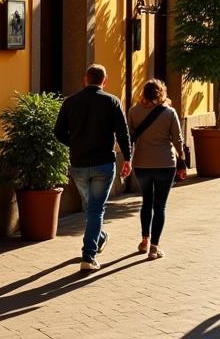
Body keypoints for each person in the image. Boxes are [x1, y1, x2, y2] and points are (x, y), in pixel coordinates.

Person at [54, 64, 131, 272]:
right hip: (104, 164)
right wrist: (128, 159)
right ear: (104, 81)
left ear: (84, 79)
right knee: (95, 209)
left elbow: (58, 132)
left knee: (91, 208)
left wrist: (75, 143)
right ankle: (88, 256)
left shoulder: (71, 102)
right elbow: (123, 133)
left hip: (79, 164)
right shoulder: (112, 101)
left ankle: (99, 238)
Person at [128, 78, 184, 260]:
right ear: (162, 93)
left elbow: (129, 138)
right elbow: (178, 140)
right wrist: (182, 160)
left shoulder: (134, 111)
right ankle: (154, 247)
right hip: (165, 164)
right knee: (160, 207)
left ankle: (144, 240)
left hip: (142, 164)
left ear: (143, 93)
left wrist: (127, 160)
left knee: (146, 202)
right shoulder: (169, 112)